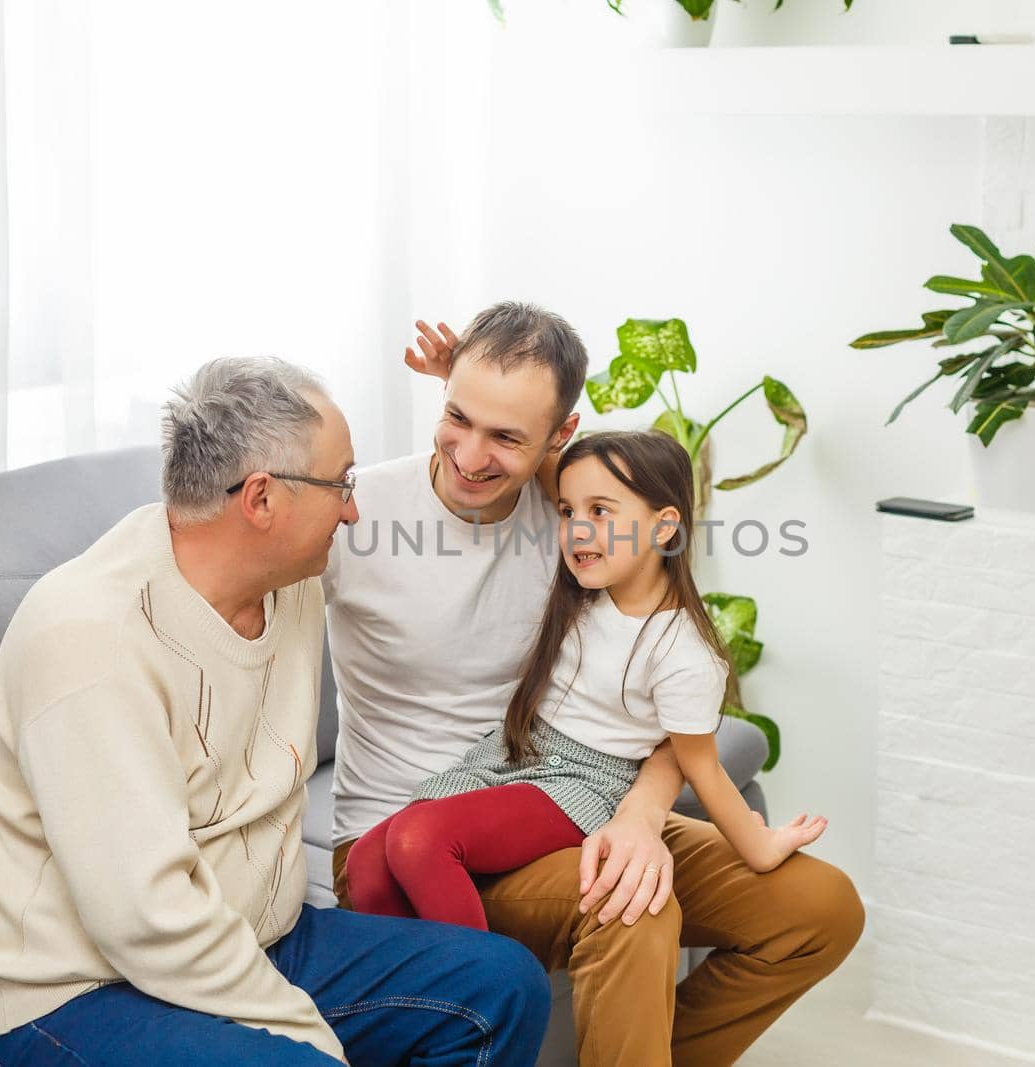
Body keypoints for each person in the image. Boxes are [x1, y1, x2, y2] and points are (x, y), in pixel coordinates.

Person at [0, 357, 550, 1067]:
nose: (354, 508)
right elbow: (144, 917)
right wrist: (304, 1030)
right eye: (341, 484)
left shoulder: (291, 582)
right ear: (261, 500)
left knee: (503, 987)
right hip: (77, 990)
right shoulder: (88, 638)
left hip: (259, 936)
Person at [324, 303, 865, 1066]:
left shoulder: (579, 520)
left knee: (821, 908)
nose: (470, 455)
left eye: (508, 435)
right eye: (458, 417)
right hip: (407, 830)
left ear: (559, 437)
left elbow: (670, 690)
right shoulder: (358, 512)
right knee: (631, 906)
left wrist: (644, 813)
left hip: (575, 796)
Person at [345, 430, 829, 930]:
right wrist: (481, 401)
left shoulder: (683, 652)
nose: (577, 530)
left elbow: (702, 766)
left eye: (600, 512)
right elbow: (544, 459)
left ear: (664, 528)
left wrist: (762, 848)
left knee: (419, 838)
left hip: (585, 782)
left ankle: (488, 992)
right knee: (366, 864)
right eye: (568, 513)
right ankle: (420, 1001)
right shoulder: (584, 591)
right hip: (513, 756)